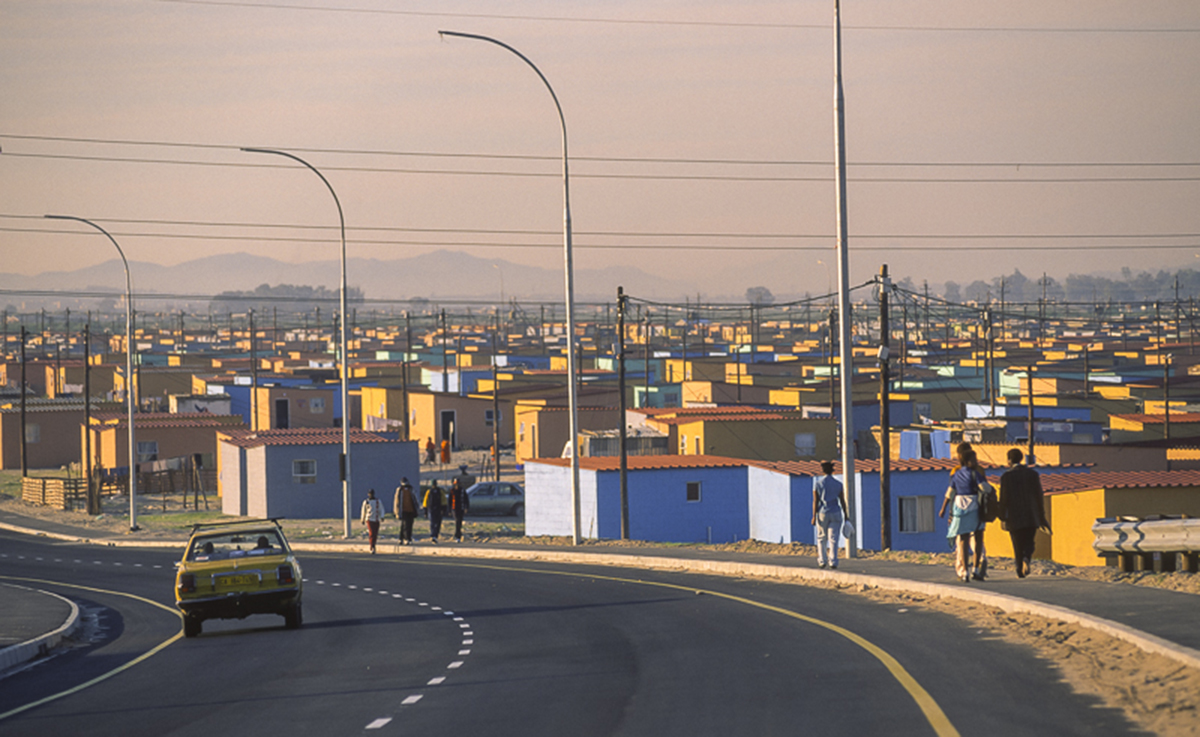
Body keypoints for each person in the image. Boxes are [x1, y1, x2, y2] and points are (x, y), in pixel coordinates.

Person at [939, 449, 991, 582]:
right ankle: (976, 569)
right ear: (968, 461)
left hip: (959, 506)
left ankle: (965, 572)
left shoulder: (956, 475)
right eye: (974, 459)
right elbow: (985, 488)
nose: (976, 461)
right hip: (974, 506)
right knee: (978, 537)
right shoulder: (975, 474)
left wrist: (944, 509)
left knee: (963, 539)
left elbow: (950, 493)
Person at [999, 448, 1049, 578]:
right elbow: (1039, 495)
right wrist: (1041, 514)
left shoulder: (1006, 477)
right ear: (1021, 459)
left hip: (1014, 515)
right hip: (1031, 514)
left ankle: (1019, 568)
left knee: (1017, 543)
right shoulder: (1033, 474)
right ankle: (1027, 557)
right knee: (1029, 541)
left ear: (1009, 460)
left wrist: (1002, 515)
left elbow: (1003, 498)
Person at [810, 460, 848, 569]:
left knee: (822, 537)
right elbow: (842, 500)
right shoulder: (838, 484)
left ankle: (822, 560)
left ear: (823, 470)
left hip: (823, 512)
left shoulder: (818, 484)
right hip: (836, 511)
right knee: (834, 538)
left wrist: (814, 516)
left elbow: (815, 501)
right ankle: (833, 561)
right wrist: (846, 515)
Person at [394, 477, 418, 546]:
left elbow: (415, 498)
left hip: (411, 509)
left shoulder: (411, 489)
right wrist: (397, 511)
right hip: (403, 510)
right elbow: (396, 501)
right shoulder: (400, 490)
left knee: (409, 524)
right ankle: (404, 538)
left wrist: (417, 508)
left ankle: (407, 538)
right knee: (404, 525)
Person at [360, 489, 385, 554]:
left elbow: (381, 509)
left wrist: (382, 516)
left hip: (376, 519)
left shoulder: (378, 501)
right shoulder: (366, 502)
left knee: (375, 534)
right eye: (370, 494)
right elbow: (363, 511)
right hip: (369, 519)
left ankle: (374, 544)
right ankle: (372, 546)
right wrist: (362, 519)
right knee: (371, 533)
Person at [448, 477, 470, 543]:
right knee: (457, 521)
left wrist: (466, 507)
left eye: (457, 484)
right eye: (455, 484)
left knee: (459, 521)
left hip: (461, 508)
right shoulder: (452, 491)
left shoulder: (462, 491)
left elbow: (466, 499)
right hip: (454, 508)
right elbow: (449, 501)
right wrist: (449, 510)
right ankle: (458, 535)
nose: (456, 485)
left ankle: (458, 534)